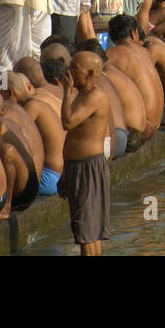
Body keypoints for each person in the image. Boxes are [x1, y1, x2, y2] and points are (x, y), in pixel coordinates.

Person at [54, 51, 111, 255]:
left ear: (88, 75)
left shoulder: (95, 96)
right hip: (77, 166)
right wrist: (65, 175)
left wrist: (66, 93)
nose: (68, 72)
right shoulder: (84, 95)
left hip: (88, 167)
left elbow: (67, 123)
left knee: (87, 231)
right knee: (87, 231)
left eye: (74, 69)